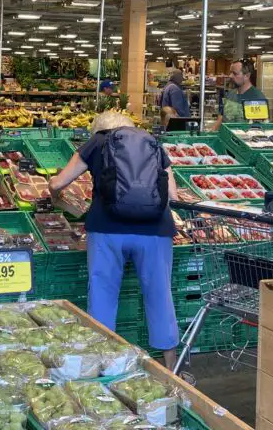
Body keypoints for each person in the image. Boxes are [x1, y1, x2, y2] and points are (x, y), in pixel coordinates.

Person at [48, 111, 179, 368]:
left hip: (107, 229)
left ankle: (102, 363)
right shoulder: (152, 142)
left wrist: (52, 188)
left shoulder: (97, 141)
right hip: (155, 231)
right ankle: (171, 366)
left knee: (103, 293)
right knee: (160, 295)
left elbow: (61, 181)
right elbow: (173, 194)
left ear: (99, 128)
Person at [212, 58, 267, 130]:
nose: (230, 76)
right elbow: (220, 118)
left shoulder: (258, 98)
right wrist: (212, 133)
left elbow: (258, 129)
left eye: (235, 73)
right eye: (230, 72)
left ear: (247, 76)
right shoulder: (229, 94)